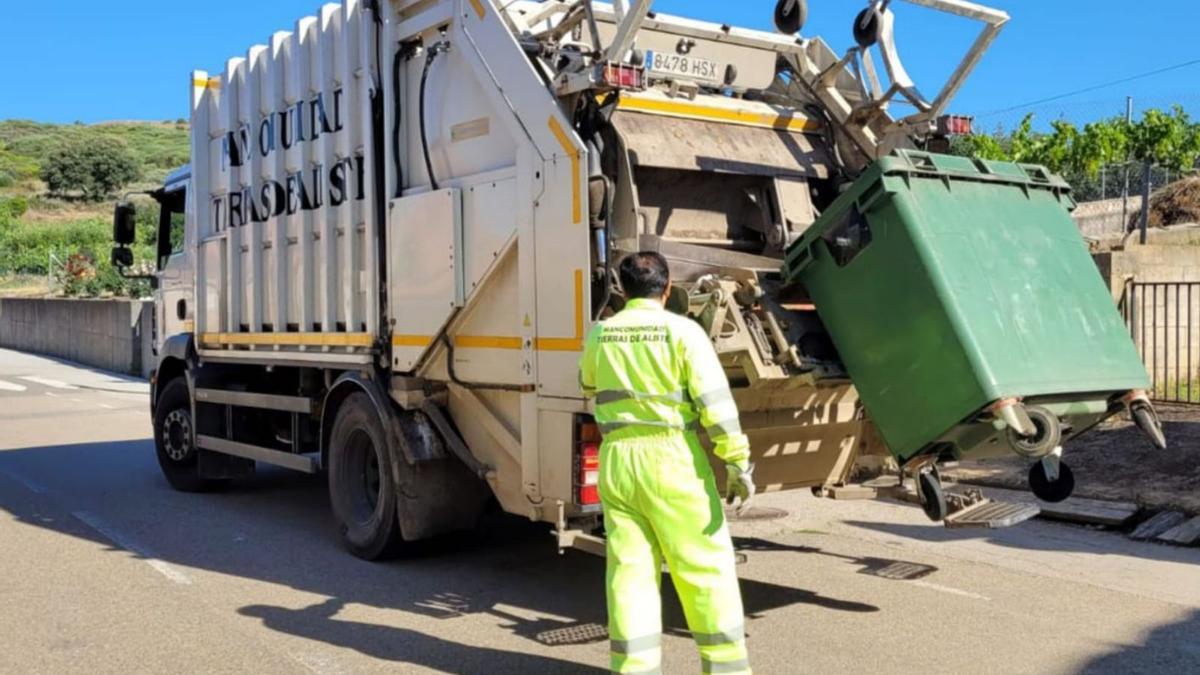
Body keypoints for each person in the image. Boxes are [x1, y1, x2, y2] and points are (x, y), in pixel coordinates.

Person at [579, 251, 756, 675]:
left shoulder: (600, 333)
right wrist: (737, 463)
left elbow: (587, 383)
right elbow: (716, 404)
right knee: (704, 570)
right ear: (668, 286)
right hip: (673, 459)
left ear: (621, 290)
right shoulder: (684, 332)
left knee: (629, 574)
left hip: (619, 460)